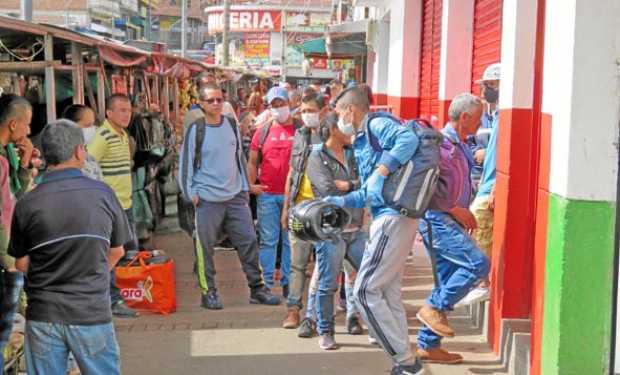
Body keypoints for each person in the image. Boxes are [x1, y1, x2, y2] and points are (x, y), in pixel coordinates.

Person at [9, 120, 128, 375]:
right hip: (90, 311)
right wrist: (91, 273)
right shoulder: (103, 194)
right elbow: (117, 251)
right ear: (78, 151)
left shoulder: (27, 202)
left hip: (43, 315)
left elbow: (20, 263)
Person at [324, 87, 425, 375]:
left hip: (393, 218)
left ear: (349, 110)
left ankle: (406, 361)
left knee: (365, 291)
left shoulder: (376, 124)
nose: (338, 119)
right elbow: (369, 192)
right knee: (388, 292)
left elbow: (408, 138)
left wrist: (382, 170)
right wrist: (341, 201)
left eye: (338, 112)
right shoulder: (363, 141)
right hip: (391, 216)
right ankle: (405, 362)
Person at [178, 83, 279, 309]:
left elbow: (239, 159)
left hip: (235, 197)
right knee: (204, 248)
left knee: (249, 242)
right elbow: (185, 164)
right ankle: (208, 292)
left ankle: (257, 289)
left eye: (219, 99)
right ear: (202, 104)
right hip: (207, 200)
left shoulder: (231, 124)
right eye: (210, 100)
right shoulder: (197, 128)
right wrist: (190, 194)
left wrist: (245, 188)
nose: (216, 104)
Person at [416, 93, 491, 364]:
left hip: (449, 220)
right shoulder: (441, 146)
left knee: (446, 280)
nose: (481, 121)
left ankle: (428, 345)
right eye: (478, 116)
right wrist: (453, 209)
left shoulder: (459, 145)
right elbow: (428, 189)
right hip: (437, 220)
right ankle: (433, 308)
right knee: (477, 264)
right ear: (465, 118)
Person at [305, 113, 366, 350]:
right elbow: (327, 189)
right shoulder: (317, 157)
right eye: (345, 127)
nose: (350, 130)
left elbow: (368, 182)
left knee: (369, 277)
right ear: (332, 129)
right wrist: (356, 187)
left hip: (356, 229)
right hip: (331, 230)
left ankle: (364, 320)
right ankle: (326, 331)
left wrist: (349, 186)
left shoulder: (353, 154)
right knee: (328, 283)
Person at [280, 93, 328, 330]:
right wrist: (286, 207)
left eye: (311, 110)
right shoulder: (299, 135)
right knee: (297, 264)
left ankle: (318, 314)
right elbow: (292, 173)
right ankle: (293, 311)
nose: (306, 115)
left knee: (325, 266)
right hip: (299, 210)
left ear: (323, 111)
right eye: (303, 111)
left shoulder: (333, 136)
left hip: (323, 211)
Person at [88, 94, 139, 318]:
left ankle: (115, 296)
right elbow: (88, 166)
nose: (126, 114)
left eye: (128, 110)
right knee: (112, 254)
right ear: (108, 113)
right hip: (109, 209)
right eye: (121, 110)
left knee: (122, 253)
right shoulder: (104, 136)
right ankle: (111, 299)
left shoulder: (123, 135)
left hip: (124, 205)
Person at [247, 86, 297, 296]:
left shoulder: (300, 130)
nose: (278, 109)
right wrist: (251, 186)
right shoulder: (263, 131)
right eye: (274, 105)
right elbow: (252, 161)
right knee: (268, 240)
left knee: (289, 240)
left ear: (289, 104)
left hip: (293, 197)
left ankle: (288, 281)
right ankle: (267, 283)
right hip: (267, 195)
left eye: (281, 104)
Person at [0, 94, 36, 371]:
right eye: (26, 124)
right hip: (5, 261)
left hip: (9, 255)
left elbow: (15, 199)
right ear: (13, 125)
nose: (28, 131)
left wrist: (23, 165)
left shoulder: (7, 156)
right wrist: (10, 262)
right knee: (2, 332)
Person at [462, 63, 501, 305]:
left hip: (490, 184)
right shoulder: (494, 116)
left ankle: (483, 282)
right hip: (484, 181)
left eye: (489, 85)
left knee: (478, 224)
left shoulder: (504, 116)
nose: (484, 90)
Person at [61, 104, 103, 180]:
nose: (93, 129)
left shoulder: (89, 157)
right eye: (87, 125)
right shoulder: (63, 159)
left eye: (93, 124)